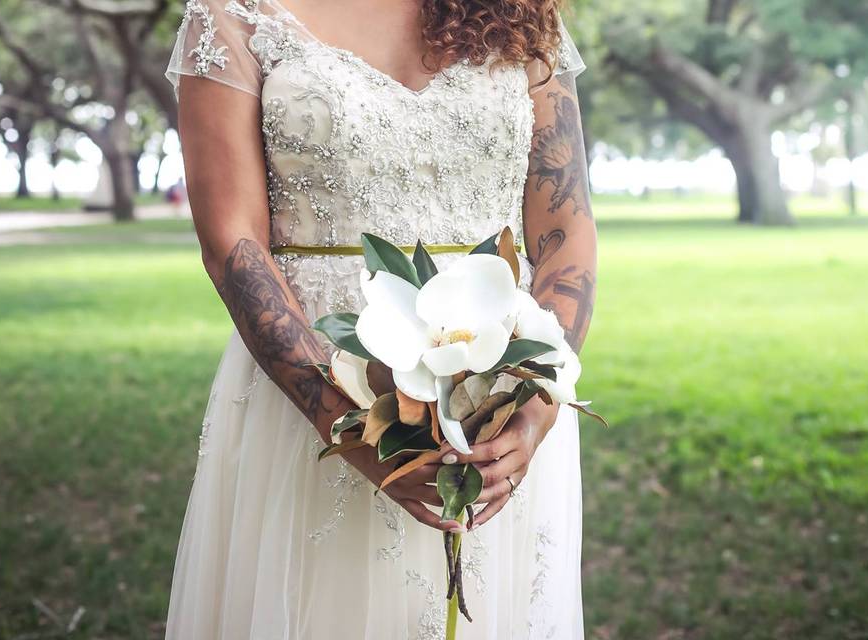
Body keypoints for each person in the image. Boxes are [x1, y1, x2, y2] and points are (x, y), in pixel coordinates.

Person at [163, 0, 597, 637]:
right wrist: (346, 426)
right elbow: (233, 243)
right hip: (314, 388)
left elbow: (564, 228)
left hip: (501, 397)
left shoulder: (522, 13)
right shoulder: (232, 15)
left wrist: (536, 405)